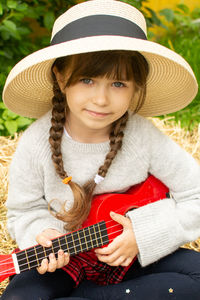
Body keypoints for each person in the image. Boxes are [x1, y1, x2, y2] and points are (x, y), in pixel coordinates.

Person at [1, 0, 200, 299]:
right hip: (66, 261)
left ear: (136, 86)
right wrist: (41, 234)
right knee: (19, 297)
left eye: (118, 83)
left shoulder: (142, 136)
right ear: (60, 77)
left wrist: (142, 235)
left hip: (130, 254)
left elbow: (195, 193)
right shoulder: (36, 142)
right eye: (87, 80)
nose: (101, 99)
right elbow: (23, 211)